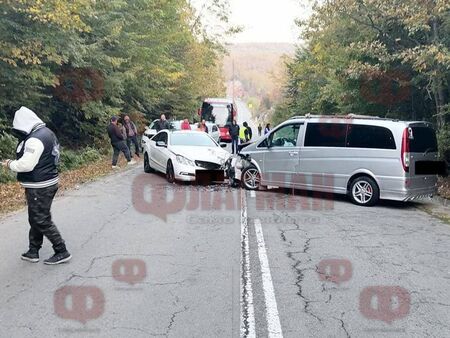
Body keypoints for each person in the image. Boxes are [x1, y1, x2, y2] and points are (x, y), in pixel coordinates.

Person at [1, 107, 72, 265]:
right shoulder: (47, 132)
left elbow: (26, 164)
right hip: (46, 182)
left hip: (40, 186)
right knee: (36, 218)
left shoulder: (35, 139)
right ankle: (33, 251)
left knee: (41, 219)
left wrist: (9, 164)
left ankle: (61, 250)